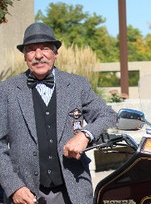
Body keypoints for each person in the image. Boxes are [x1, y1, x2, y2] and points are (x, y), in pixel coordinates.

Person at [0, 22, 117, 204]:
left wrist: (85, 135)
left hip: (73, 191)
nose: (38, 55)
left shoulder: (77, 85)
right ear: (25, 56)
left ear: (55, 53)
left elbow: (108, 115)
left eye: (45, 48)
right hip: (25, 193)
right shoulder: (6, 90)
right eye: (31, 50)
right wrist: (14, 186)